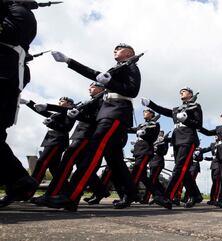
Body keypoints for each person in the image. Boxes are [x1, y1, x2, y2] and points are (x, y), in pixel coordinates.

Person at [43, 43, 141, 211]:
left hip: (116, 112)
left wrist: (110, 82)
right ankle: (131, 192)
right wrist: (68, 61)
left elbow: (133, 91)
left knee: (94, 151)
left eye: (119, 48)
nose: (115, 50)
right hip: (107, 113)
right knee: (115, 160)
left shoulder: (131, 66)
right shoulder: (117, 68)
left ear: (129, 53)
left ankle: (71, 197)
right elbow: (94, 74)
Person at [0, 0, 38, 208]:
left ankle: (19, 180)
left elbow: (10, 34)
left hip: (4, 78)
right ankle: (18, 181)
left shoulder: (20, 11)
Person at [141, 87, 203, 209]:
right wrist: (150, 104)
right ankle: (196, 195)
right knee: (183, 171)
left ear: (190, 94)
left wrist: (186, 119)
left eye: (184, 91)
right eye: (180, 91)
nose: (181, 92)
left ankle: (167, 197)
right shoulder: (177, 109)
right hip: (177, 140)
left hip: (188, 139)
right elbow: (163, 111)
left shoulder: (195, 106)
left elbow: (198, 124)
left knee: (179, 168)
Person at [23, 97, 75, 197]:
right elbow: (42, 111)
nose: (59, 102)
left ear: (69, 104)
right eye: (59, 101)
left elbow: (66, 128)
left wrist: (51, 123)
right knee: (54, 169)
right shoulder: (57, 113)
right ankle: (67, 192)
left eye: (63, 101)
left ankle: (28, 192)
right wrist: (29, 102)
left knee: (41, 164)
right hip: (52, 141)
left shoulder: (69, 113)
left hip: (56, 142)